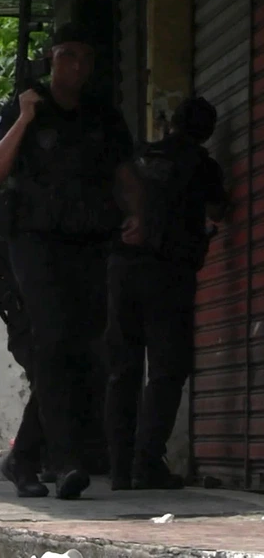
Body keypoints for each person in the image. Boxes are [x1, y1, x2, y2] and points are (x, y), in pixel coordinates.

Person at [0, 23, 135, 500]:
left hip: (87, 242)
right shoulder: (27, 106)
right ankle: (63, 459)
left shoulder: (102, 116)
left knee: (83, 352)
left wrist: (137, 215)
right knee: (51, 344)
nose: (77, 66)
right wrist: (23, 119)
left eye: (85, 58)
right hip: (34, 243)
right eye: (68, 56)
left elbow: (123, 171)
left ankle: (24, 456)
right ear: (51, 58)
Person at [106, 97, 228, 490]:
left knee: (123, 368)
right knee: (166, 369)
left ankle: (120, 469)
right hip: (169, 274)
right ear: (206, 131)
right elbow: (219, 209)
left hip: (123, 269)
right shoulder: (202, 165)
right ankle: (146, 463)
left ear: (171, 124)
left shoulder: (140, 155)